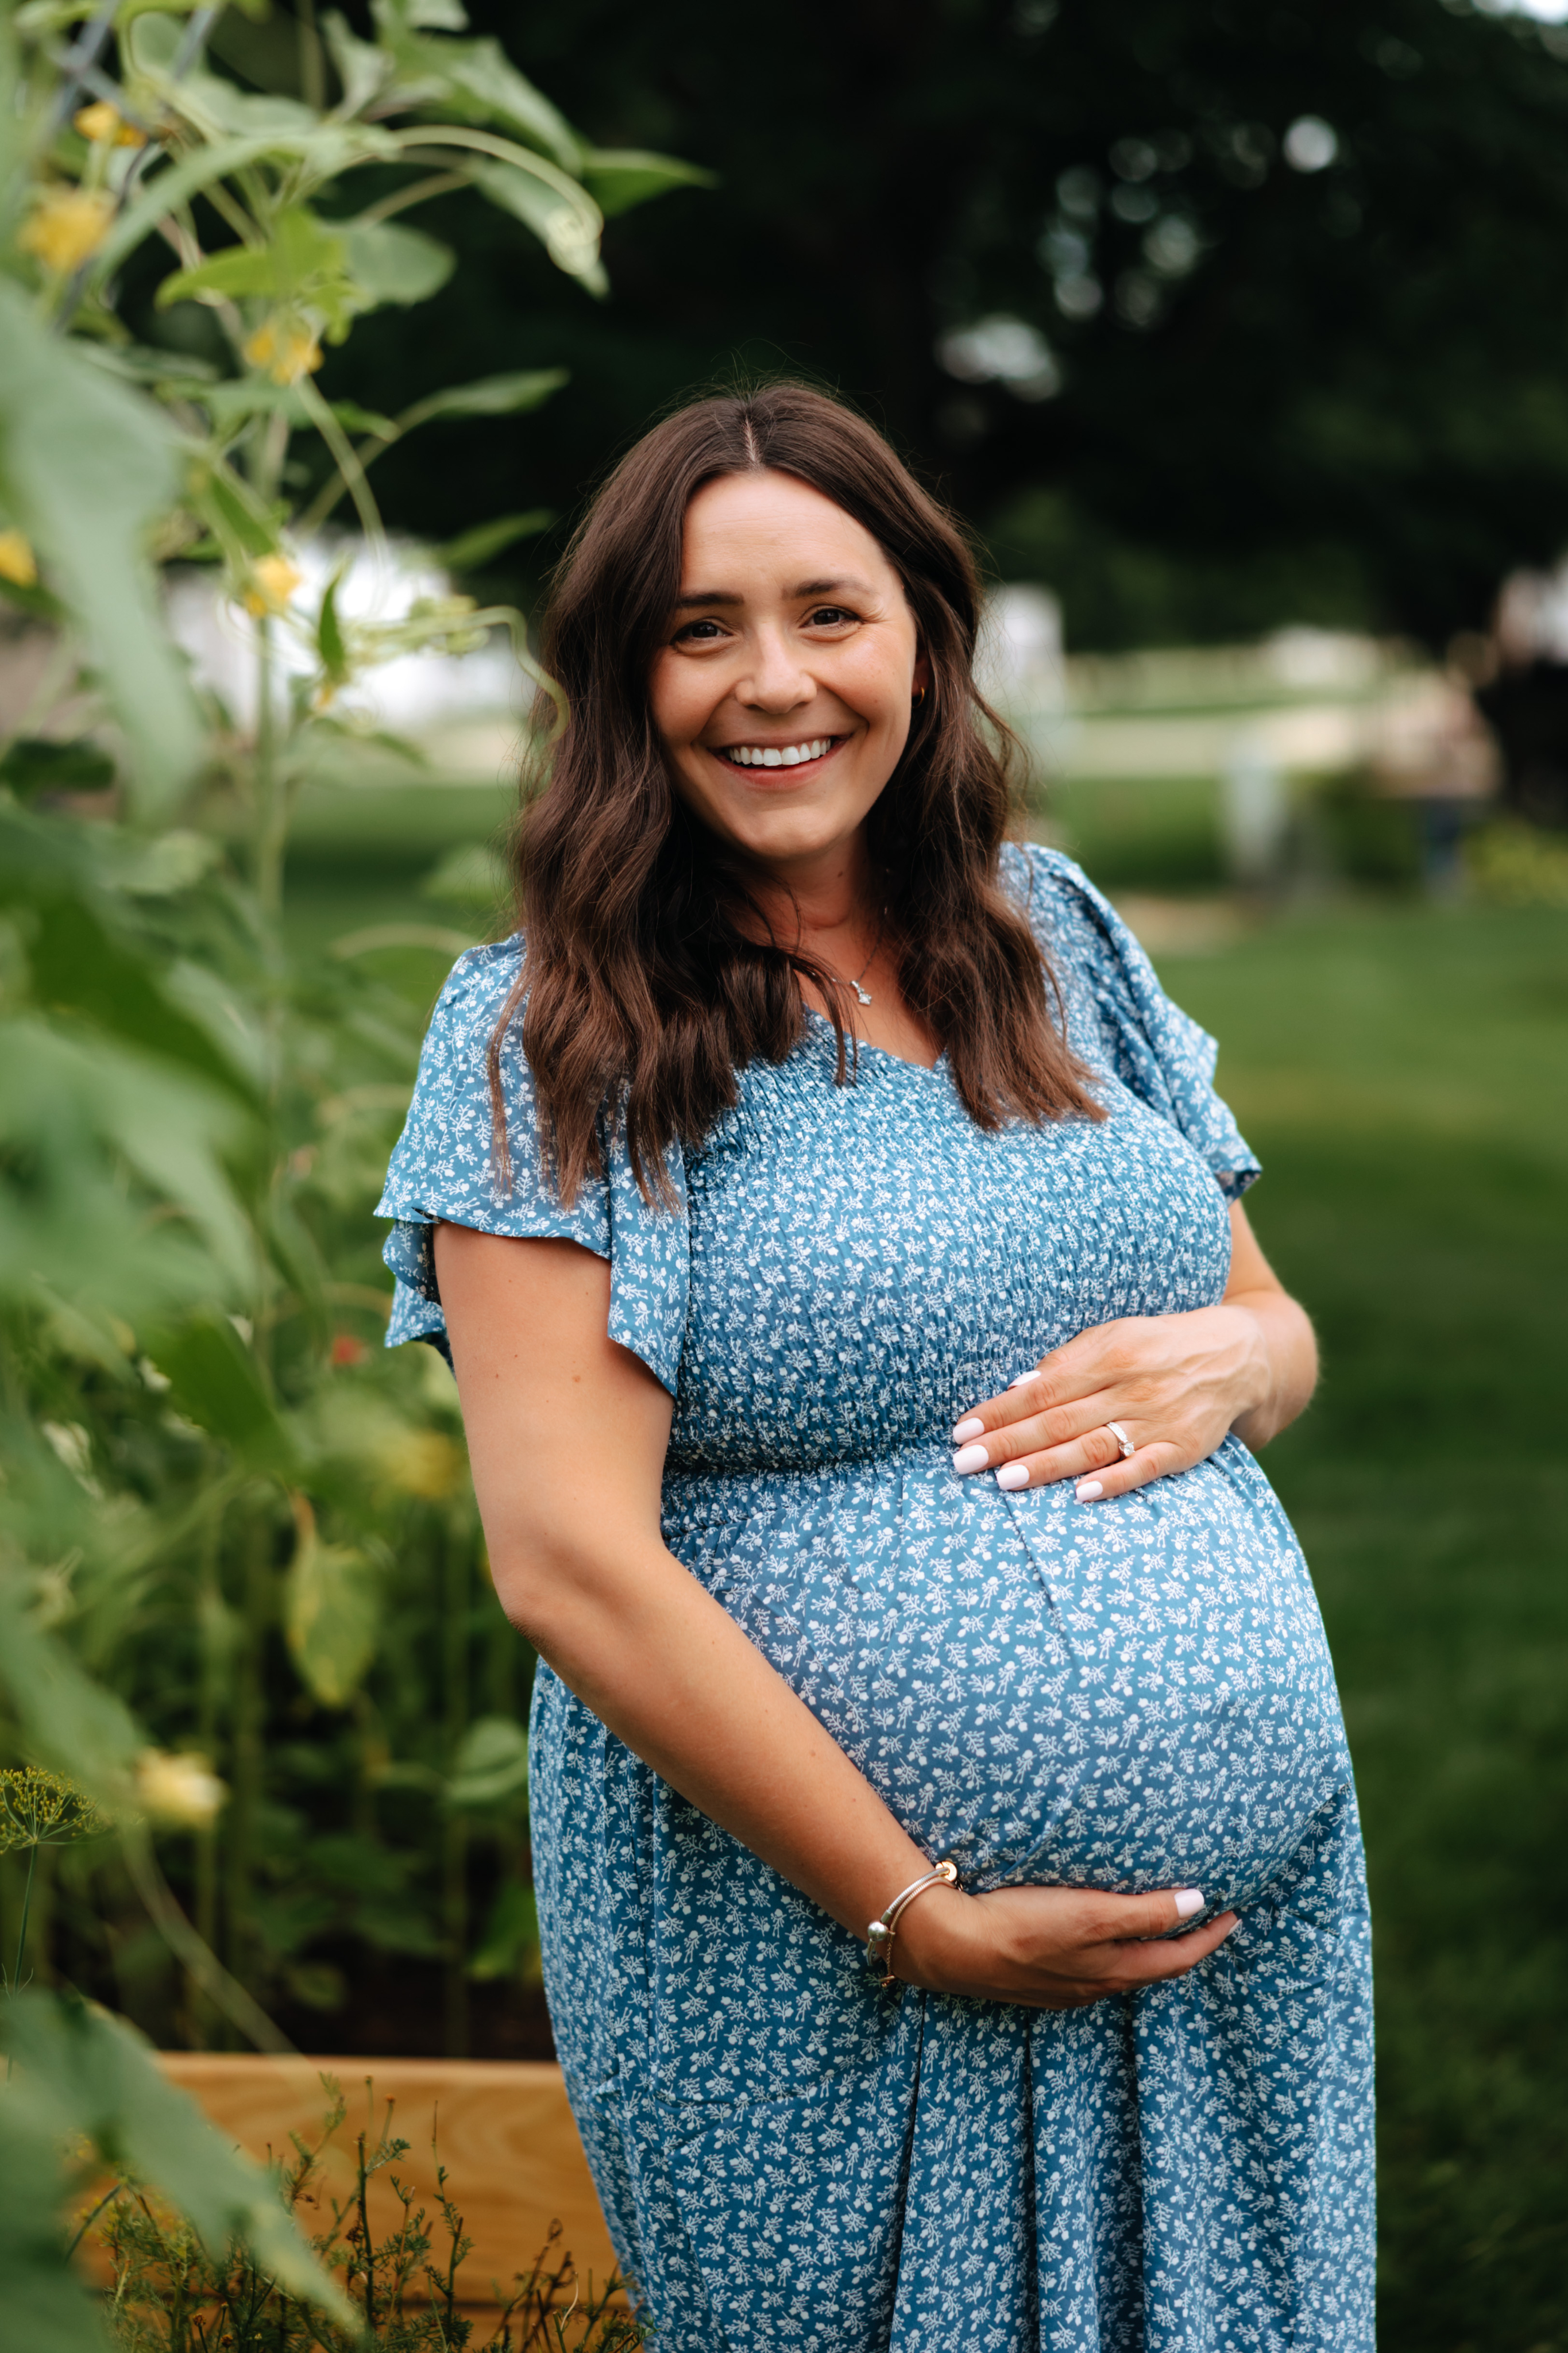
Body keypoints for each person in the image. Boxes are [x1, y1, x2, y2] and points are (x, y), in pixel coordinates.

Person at [378, 384, 1373, 2352]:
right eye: (698, 629)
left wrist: (1235, 1362)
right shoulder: (551, 1036)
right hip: (819, 1953)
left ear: (922, 631)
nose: (774, 683)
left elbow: (1275, 1327)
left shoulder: (1053, 937)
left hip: (1231, 1952)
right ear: (620, 679)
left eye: (829, 613)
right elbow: (566, 1563)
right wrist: (916, 1911)